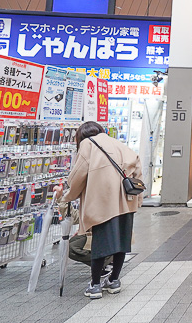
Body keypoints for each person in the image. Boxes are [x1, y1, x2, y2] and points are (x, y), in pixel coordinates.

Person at [55, 121, 141, 299]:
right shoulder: (117, 143)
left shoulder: (88, 144)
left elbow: (78, 174)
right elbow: (137, 167)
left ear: (81, 137)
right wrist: (137, 200)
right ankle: (114, 281)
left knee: (99, 243)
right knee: (121, 243)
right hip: (126, 201)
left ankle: (95, 285)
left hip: (103, 202)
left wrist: (67, 195)